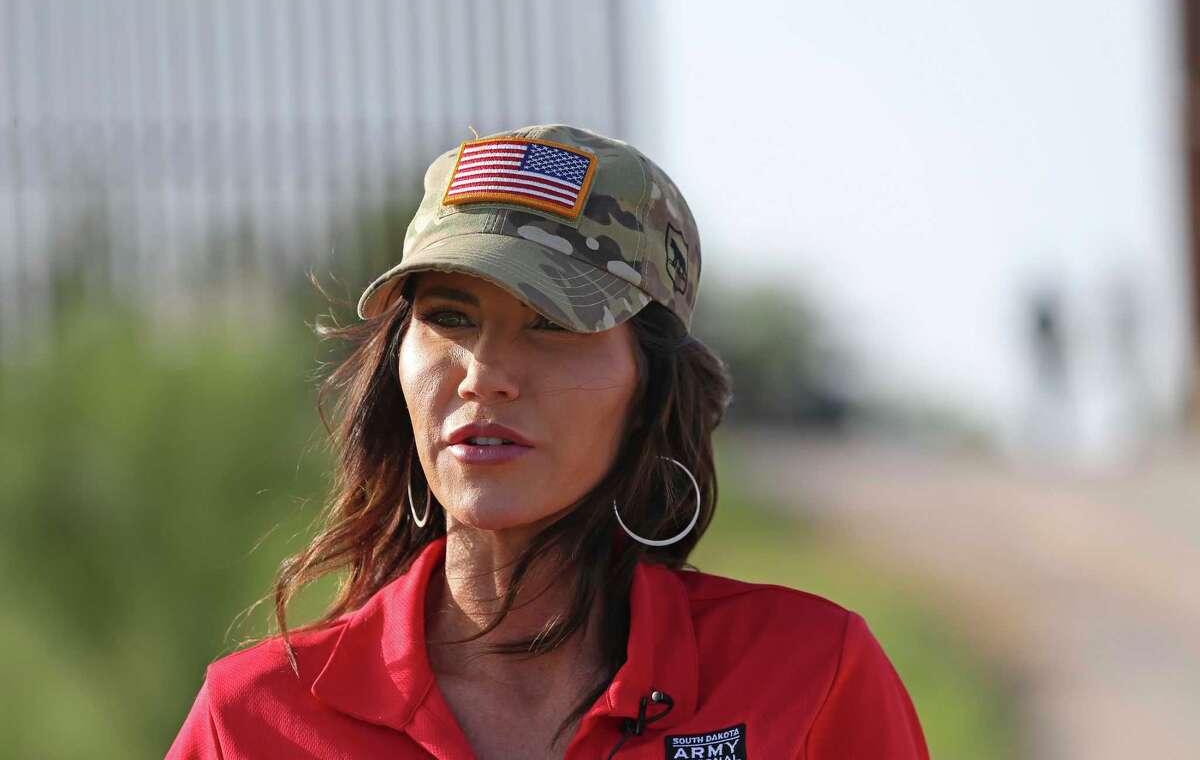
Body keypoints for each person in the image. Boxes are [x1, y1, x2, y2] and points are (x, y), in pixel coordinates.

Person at [165, 124, 930, 759]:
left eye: (554, 325)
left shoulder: (807, 678)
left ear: (652, 389)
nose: (485, 375)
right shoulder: (255, 721)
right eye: (450, 317)